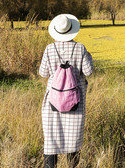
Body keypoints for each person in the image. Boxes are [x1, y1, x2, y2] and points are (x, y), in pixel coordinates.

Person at [39, 14, 94, 168]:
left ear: (56, 31)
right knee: (73, 138)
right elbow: (88, 71)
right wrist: (87, 56)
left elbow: (43, 73)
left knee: (51, 138)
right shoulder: (80, 48)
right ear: (72, 31)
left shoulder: (49, 49)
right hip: (75, 103)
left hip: (53, 103)